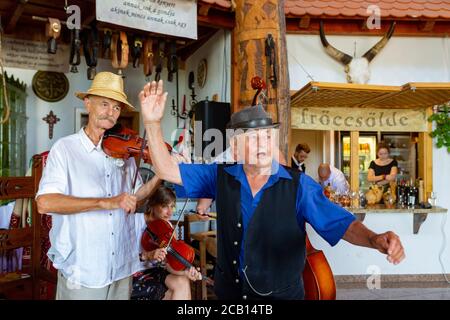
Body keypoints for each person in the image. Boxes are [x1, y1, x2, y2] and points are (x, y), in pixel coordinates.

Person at [139, 80, 405, 300]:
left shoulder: (298, 185)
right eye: (253, 138)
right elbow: (166, 170)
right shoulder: (220, 176)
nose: (264, 143)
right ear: (235, 147)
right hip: (231, 294)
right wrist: (152, 123)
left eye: (268, 135)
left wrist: (374, 239)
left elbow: (342, 223)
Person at [36, 72, 163, 300]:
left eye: (116, 107)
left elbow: (137, 197)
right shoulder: (65, 149)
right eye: (104, 103)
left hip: (121, 266)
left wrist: (160, 175)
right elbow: (45, 203)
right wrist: (106, 201)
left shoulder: (125, 153)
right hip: (84, 269)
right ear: (88, 103)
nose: (110, 112)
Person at [132, 182, 201, 300]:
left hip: (156, 271)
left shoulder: (167, 228)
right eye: (165, 206)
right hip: (134, 272)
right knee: (172, 294)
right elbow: (120, 257)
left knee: (183, 281)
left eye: (172, 206)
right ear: (152, 205)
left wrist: (185, 272)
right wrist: (147, 255)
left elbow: (168, 264)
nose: (170, 212)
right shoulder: (133, 222)